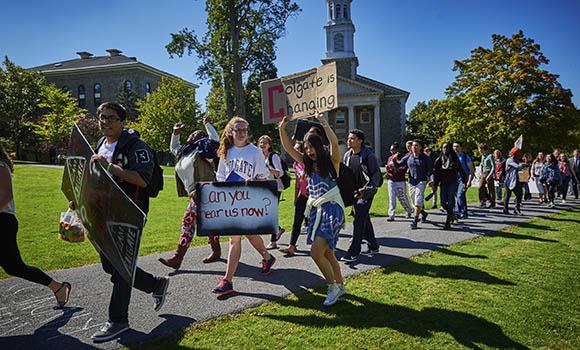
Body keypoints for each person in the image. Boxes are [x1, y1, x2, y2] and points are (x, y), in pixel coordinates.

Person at [90, 102, 169, 343]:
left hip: (129, 214)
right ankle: (156, 284)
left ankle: (118, 320)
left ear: (123, 122)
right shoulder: (100, 144)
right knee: (111, 265)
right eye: (102, 117)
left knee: (121, 266)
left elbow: (142, 179)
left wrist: (111, 167)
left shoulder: (137, 147)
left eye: (111, 118)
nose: (105, 122)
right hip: (102, 212)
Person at [279, 113, 346, 307]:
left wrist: (324, 122)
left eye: (312, 146)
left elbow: (334, 143)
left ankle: (332, 287)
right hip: (317, 210)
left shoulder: (332, 161)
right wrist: (282, 129)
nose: (309, 151)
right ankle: (340, 285)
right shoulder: (306, 163)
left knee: (316, 253)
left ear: (319, 146)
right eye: (306, 147)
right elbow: (290, 149)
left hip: (332, 210)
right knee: (328, 254)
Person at [0, 145, 72, 310]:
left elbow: (6, 195)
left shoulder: (0, 165)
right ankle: (58, 287)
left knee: (14, 267)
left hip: (3, 222)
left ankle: (58, 287)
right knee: (13, 267)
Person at [212, 117, 276, 296]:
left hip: (249, 200)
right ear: (231, 132)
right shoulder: (227, 151)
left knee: (236, 238)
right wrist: (228, 185)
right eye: (238, 129)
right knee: (245, 235)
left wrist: (253, 180)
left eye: (244, 129)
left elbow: (263, 176)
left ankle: (227, 281)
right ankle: (268, 257)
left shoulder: (255, 152)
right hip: (232, 200)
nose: (241, 133)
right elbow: (220, 176)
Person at [158, 116, 221, 269]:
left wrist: (206, 124)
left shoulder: (203, 151)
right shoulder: (185, 152)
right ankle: (216, 251)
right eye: (191, 134)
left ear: (201, 138)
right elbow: (174, 148)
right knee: (208, 224)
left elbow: (215, 140)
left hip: (206, 192)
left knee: (189, 222)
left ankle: (178, 257)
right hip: (194, 194)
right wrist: (175, 133)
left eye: (196, 134)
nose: (192, 135)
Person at [340, 129, 381, 262]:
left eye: (352, 138)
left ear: (360, 141)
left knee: (358, 219)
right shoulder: (347, 155)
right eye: (348, 138)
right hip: (353, 193)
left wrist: (365, 190)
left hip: (366, 193)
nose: (349, 140)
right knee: (364, 218)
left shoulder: (368, 155)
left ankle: (354, 251)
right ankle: (373, 246)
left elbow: (376, 176)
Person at [395, 140, 433, 229]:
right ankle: (423, 213)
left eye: (416, 145)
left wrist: (431, 180)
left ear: (420, 147)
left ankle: (415, 222)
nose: (414, 147)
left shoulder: (426, 158)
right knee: (414, 202)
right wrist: (394, 160)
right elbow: (399, 165)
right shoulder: (409, 157)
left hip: (421, 181)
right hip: (411, 182)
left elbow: (431, 171)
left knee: (418, 201)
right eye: (413, 146)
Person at [279, 141, 308, 257]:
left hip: (314, 196)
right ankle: (292, 246)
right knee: (297, 221)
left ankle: (326, 246)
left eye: (296, 150)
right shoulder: (296, 164)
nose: (293, 152)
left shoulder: (308, 163)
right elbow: (297, 182)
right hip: (303, 195)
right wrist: (295, 197)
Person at [258, 135, 286, 250]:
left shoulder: (273, 156)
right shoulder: (259, 156)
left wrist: (268, 168)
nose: (262, 145)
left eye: (264, 143)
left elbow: (281, 173)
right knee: (266, 213)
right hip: (265, 188)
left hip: (275, 188)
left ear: (269, 145)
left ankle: (273, 241)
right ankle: (278, 229)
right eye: (260, 142)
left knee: (271, 214)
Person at [433, 143, 468, 229]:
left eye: (447, 148)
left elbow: (461, 170)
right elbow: (436, 174)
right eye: (444, 147)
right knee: (443, 203)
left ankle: (448, 222)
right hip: (443, 183)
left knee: (450, 201)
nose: (445, 149)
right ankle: (452, 214)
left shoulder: (454, 159)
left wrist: (464, 182)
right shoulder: (439, 160)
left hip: (452, 183)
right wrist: (435, 184)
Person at [385, 142, 413, 221]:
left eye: (393, 150)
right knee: (392, 198)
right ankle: (391, 215)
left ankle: (408, 210)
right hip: (391, 181)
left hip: (400, 181)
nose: (392, 152)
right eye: (391, 150)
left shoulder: (402, 158)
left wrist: (395, 163)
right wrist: (388, 172)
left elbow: (402, 170)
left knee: (402, 198)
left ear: (397, 150)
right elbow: (389, 168)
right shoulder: (390, 158)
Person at [453, 142, 475, 219]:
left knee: (460, 195)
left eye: (457, 146)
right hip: (454, 180)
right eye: (454, 146)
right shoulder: (451, 157)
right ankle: (464, 212)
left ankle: (456, 212)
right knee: (460, 196)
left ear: (461, 147)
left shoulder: (465, 157)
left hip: (463, 180)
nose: (455, 148)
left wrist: (469, 181)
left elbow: (471, 170)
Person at [502, 147, 524, 215]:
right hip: (509, 181)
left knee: (519, 194)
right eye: (518, 155)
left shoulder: (515, 160)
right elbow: (518, 167)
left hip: (515, 180)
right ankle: (505, 209)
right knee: (507, 196)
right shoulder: (509, 160)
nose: (519, 156)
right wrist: (523, 164)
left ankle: (516, 209)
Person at [478, 143, 496, 208]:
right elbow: (482, 165)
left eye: (479, 149)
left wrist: (489, 175)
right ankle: (482, 202)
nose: (479, 151)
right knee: (480, 187)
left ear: (482, 149)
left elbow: (493, 167)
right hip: (484, 173)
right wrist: (481, 174)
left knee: (491, 188)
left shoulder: (490, 156)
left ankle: (492, 203)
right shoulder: (483, 156)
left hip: (489, 172)